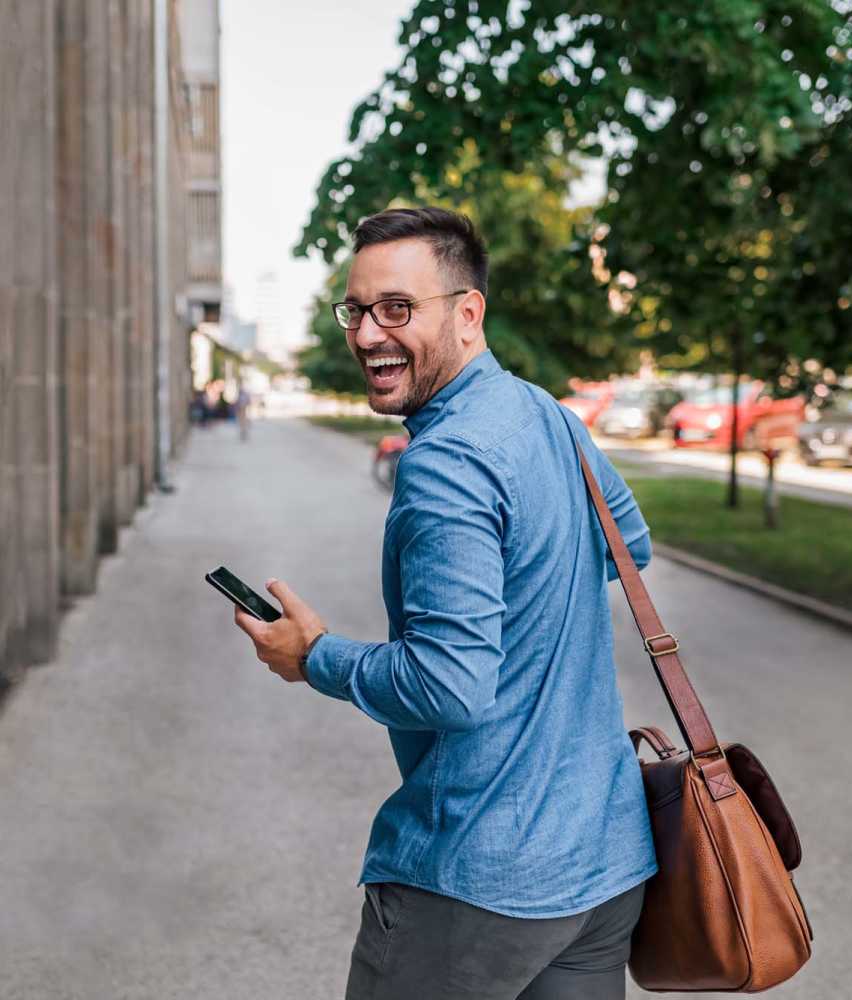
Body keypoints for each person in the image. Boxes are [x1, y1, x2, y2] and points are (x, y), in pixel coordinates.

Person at [233, 207, 657, 999]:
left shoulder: (447, 464)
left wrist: (313, 657)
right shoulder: (549, 416)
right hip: (602, 865)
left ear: (469, 314)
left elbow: (450, 686)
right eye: (356, 310)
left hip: (475, 879)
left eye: (397, 308)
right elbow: (627, 548)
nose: (366, 334)